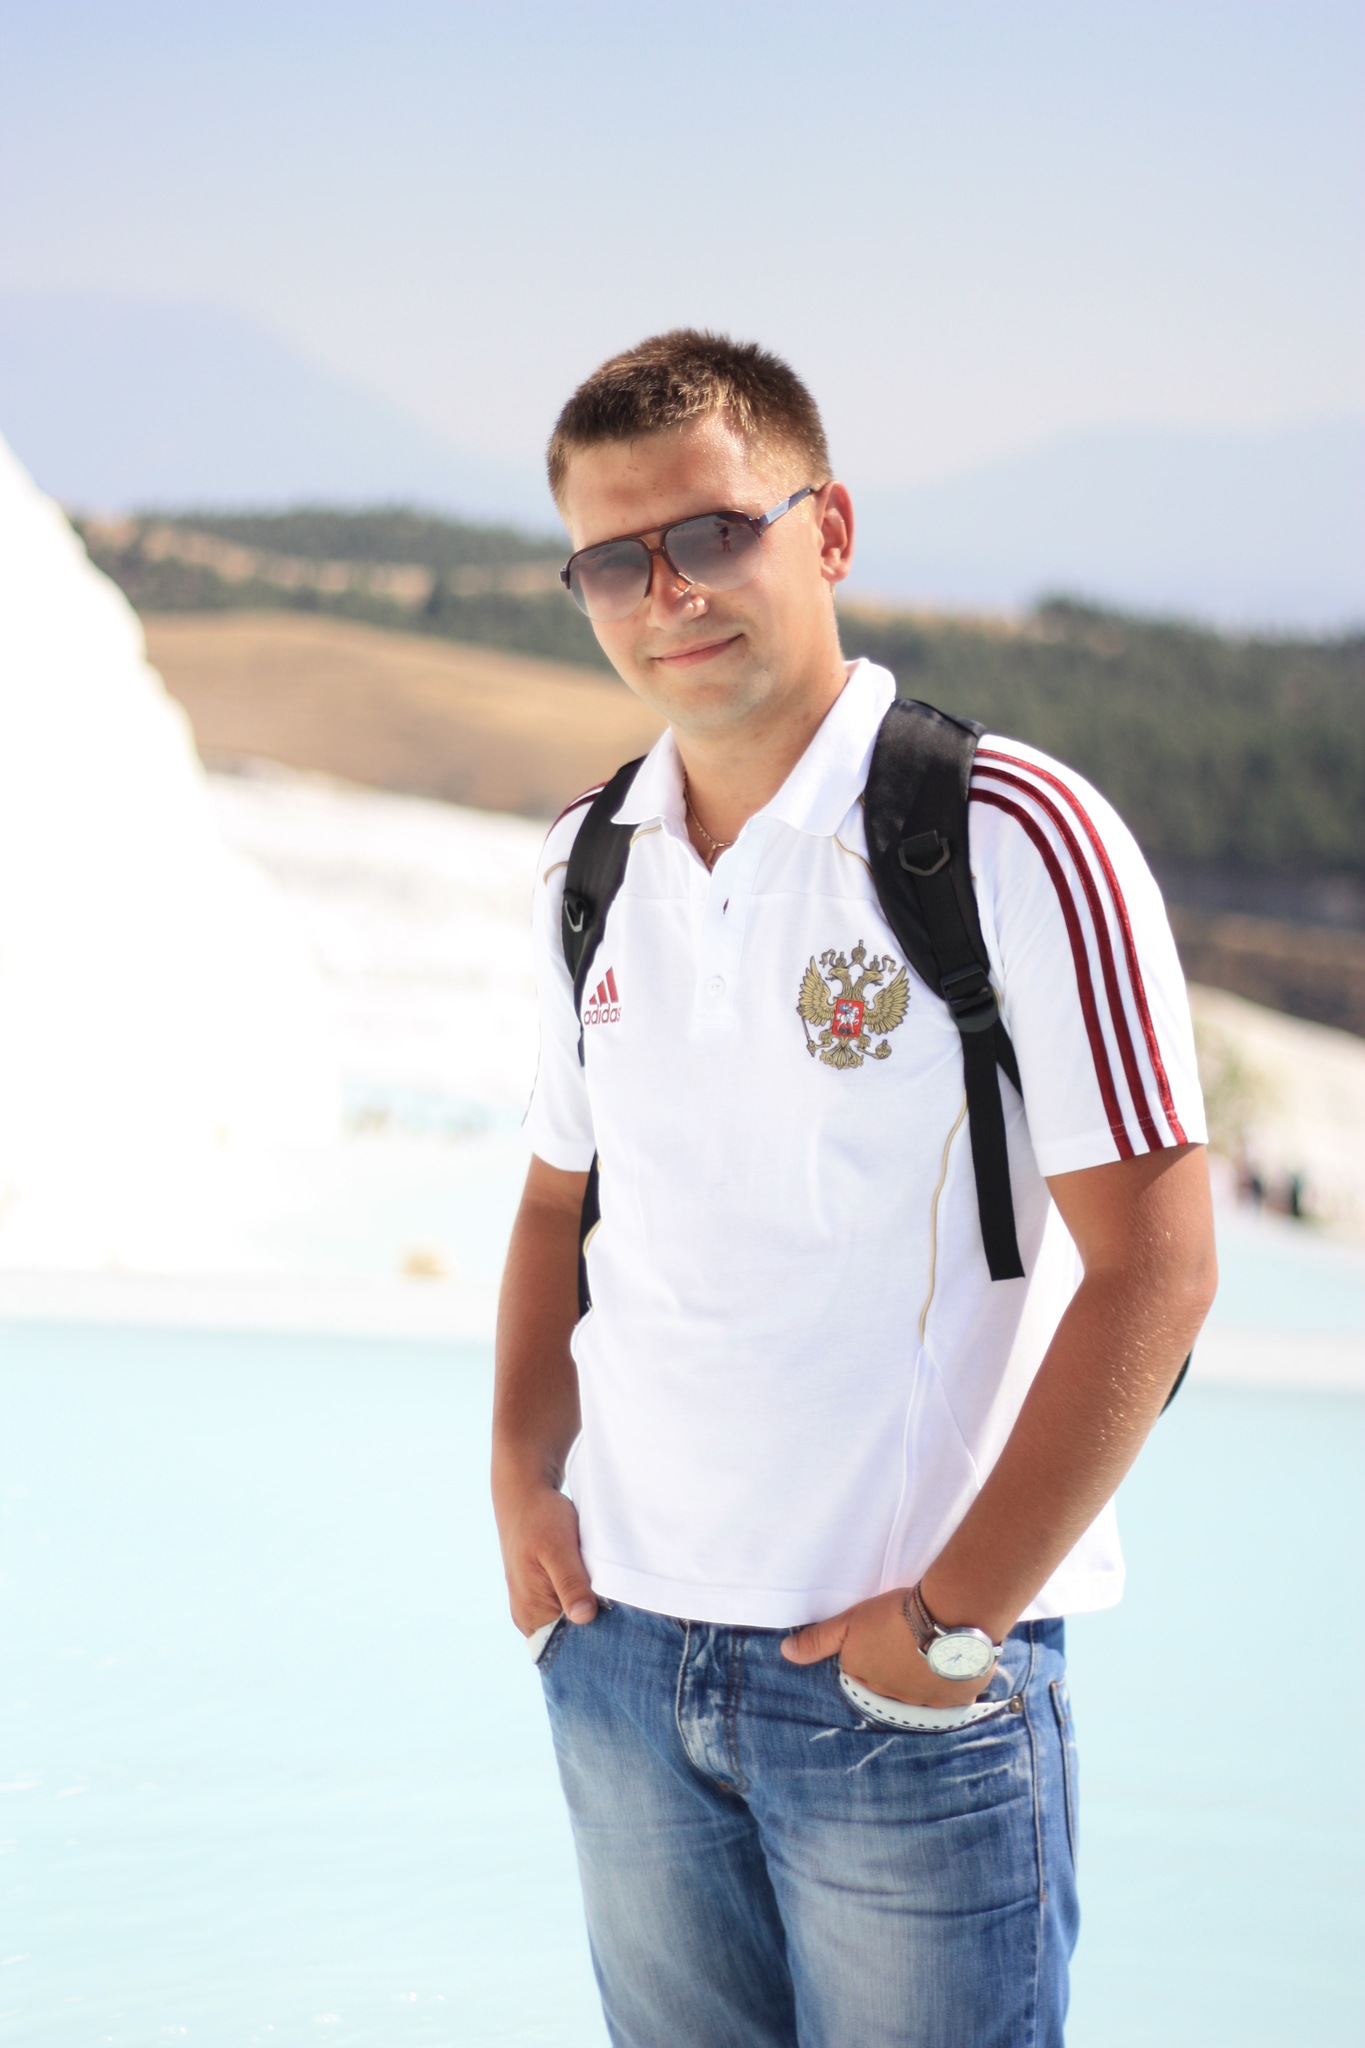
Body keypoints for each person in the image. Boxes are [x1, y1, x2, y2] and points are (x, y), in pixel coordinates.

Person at [492, 330, 1216, 2048]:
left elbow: (1157, 1271)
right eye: (614, 560)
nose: (668, 593)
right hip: (626, 1662)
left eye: (712, 533)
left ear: (826, 530)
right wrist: (519, 1478)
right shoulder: (586, 861)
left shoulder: (1011, 832)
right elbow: (552, 1203)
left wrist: (952, 1627)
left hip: (906, 1692)